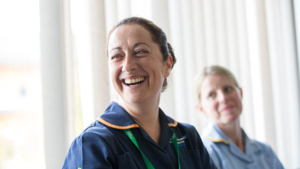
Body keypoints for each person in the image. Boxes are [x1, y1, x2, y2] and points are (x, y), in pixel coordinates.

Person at [62, 17, 216, 169]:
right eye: (117, 56)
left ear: (167, 64)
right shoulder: (93, 144)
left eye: (140, 52)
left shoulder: (187, 137)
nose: (128, 66)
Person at [193, 65, 284, 169]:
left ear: (240, 93)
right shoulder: (202, 156)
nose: (223, 98)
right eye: (211, 95)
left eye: (227, 89)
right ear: (201, 108)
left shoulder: (266, 152)